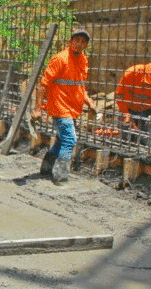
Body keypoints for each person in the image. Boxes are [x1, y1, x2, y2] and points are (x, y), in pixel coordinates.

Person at [32, 27, 98, 184]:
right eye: (77, 40)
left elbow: (80, 86)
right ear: (70, 42)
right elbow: (44, 84)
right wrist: (37, 108)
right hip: (59, 107)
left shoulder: (83, 60)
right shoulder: (60, 59)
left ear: (86, 45)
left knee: (61, 140)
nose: (80, 44)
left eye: (83, 42)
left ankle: (46, 169)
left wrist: (89, 102)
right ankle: (61, 177)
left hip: (73, 108)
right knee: (69, 139)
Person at [115, 61, 151, 146]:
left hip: (147, 111)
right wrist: (125, 113)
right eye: (148, 84)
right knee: (125, 139)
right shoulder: (132, 73)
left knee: (144, 140)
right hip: (128, 107)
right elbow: (119, 95)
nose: (149, 89)